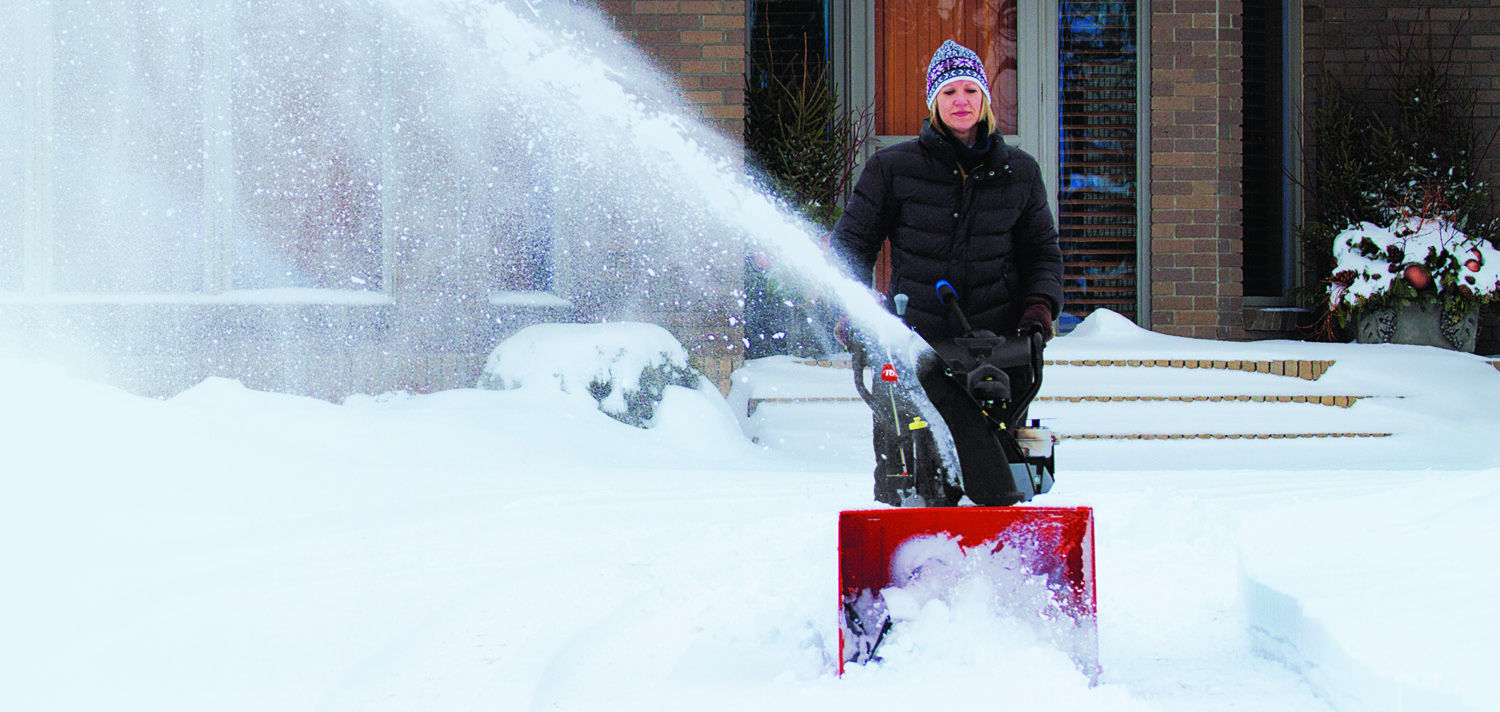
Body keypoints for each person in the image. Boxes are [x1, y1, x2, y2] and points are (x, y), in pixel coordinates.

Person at [830, 39, 1064, 506]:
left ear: (985, 101)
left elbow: (1042, 252)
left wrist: (1039, 309)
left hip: (998, 345)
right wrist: (855, 306)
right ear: (934, 100)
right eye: (950, 91)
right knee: (912, 468)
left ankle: (998, 536)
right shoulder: (892, 169)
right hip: (916, 342)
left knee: (999, 458)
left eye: (971, 91)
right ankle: (914, 550)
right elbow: (851, 247)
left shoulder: (1019, 172)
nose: (961, 101)